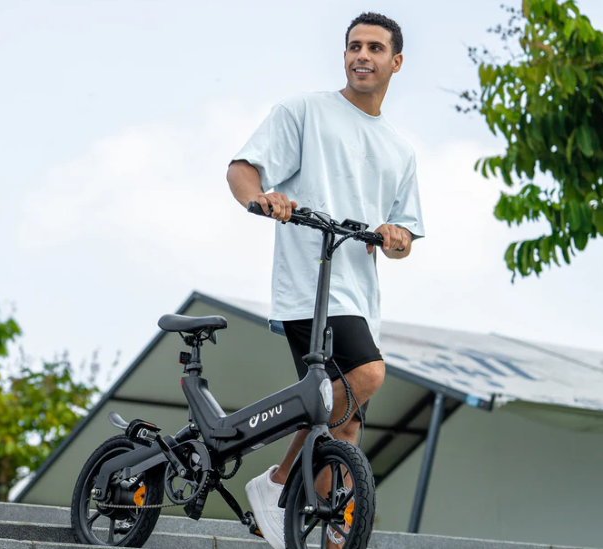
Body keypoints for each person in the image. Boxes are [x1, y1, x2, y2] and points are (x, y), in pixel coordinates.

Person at [225, 11, 424, 549]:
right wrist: (263, 199)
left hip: (359, 294)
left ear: (395, 62)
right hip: (308, 287)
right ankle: (277, 483)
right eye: (354, 46)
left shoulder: (401, 150)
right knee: (367, 373)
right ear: (344, 55)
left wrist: (396, 237)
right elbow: (242, 169)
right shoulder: (304, 111)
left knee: (347, 429)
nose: (363, 55)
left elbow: (405, 232)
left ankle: (326, 537)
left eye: (376, 48)